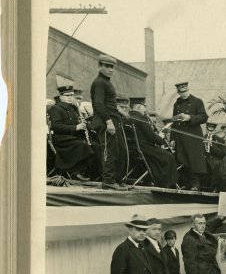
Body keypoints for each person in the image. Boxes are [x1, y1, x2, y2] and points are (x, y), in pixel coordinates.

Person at [90, 54, 128, 190]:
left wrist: (120, 111)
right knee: (109, 151)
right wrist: (109, 122)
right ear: (100, 66)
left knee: (118, 150)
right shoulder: (100, 82)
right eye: (107, 66)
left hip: (112, 120)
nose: (110, 70)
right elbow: (99, 104)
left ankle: (115, 179)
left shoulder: (106, 82)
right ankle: (108, 181)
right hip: (106, 122)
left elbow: (108, 102)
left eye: (112, 67)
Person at [47, 85, 95, 181]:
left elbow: (80, 123)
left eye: (72, 95)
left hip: (73, 138)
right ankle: (75, 172)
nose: (70, 98)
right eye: (67, 95)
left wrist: (85, 125)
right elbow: (56, 127)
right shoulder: (55, 108)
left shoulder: (74, 109)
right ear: (61, 97)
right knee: (82, 146)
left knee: (95, 146)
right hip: (61, 139)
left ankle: (92, 173)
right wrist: (76, 127)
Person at [128, 103, 178, 188]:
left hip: (133, 149)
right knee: (169, 156)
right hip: (144, 148)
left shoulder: (128, 118)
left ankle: (155, 180)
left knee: (158, 158)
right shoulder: (141, 118)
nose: (145, 112)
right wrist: (161, 139)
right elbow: (151, 136)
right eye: (144, 109)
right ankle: (169, 183)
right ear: (138, 108)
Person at [171, 82, 209, 190]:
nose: (183, 94)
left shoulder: (197, 101)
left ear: (188, 90)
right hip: (180, 136)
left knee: (194, 161)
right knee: (182, 160)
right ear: (178, 92)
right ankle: (186, 183)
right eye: (181, 92)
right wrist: (172, 138)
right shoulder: (177, 103)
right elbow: (174, 121)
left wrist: (190, 118)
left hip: (193, 137)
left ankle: (195, 185)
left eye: (185, 91)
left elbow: (204, 117)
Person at [204, 122, 226, 191]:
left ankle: (214, 187)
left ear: (214, 130)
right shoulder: (201, 137)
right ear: (206, 129)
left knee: (217, 165)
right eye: (209, 130)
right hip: (203, 158)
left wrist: (212, 145)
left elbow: (222, 153)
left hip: (214, 159)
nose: (210, 132)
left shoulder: (219, 140)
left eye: (212, 130)